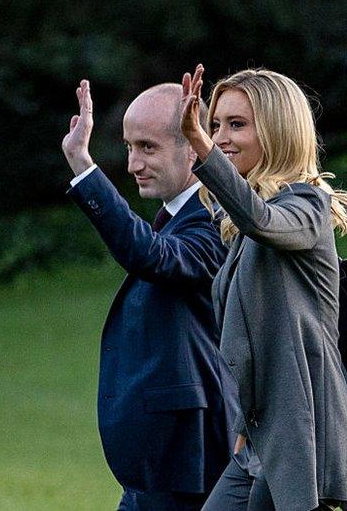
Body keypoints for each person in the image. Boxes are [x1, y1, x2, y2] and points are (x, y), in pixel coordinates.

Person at [178, 65, 347, 511]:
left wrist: (202, 148)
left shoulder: (306, 205)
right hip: (261, 440)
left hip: (306, 437)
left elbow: (263, 221)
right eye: (215, 125)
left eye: (237, 124)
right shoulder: (243, 230)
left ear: (278, 130)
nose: (221, 136)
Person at [61, 81, 234, 509]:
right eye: (128, 147)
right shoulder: (176, 218)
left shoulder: (217, 219)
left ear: (194, 148)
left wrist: (85, 169)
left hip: (187, 452)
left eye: (148, 147)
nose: (133, 163)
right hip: (160, 455)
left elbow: (151, 256)